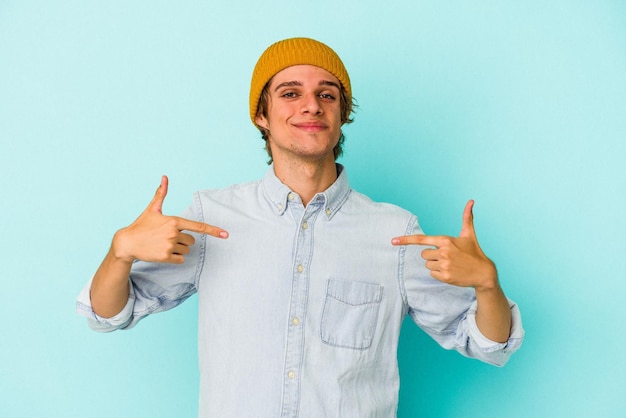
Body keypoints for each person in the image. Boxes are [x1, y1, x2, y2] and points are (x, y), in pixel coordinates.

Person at [77, 37, 524, 417]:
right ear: (261, 115)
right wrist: (120, 254)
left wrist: (488, 285)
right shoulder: (211, 218)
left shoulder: (396, 232)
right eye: (290, 93)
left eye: (328, 94)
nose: (311, 104)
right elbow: (107, 314)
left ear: (342, 114)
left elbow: (489, 344)